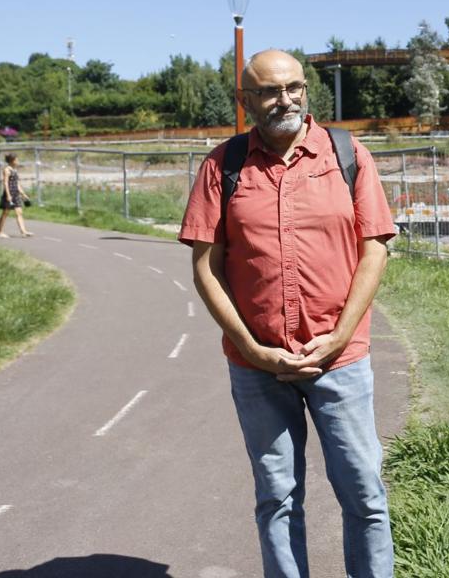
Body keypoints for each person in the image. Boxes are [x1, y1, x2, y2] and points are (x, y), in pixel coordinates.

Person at [180, 49, 396, 578]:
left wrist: (340, 336)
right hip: (257, 369)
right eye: (271, 91)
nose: (286, 99)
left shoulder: (347, 154)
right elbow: (205, 268)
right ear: (246, 100)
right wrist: (253, 348)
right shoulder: (223, 165)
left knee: (364, 495)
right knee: (277, 498)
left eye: (295, 87)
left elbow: (376, 248)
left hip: (340, 361)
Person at [0, 153, 32, 238]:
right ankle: (0, 232)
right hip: (9, 194)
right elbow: (5, 183)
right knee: (5, 213)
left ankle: (23, 231)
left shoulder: (14, 170)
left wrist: (23, 194)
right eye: (17, 160)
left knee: (19, 212)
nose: (18, 161)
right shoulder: (7, 170)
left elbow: (17, 183)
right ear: (12, 161)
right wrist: (8, 195)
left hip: (16, 194)